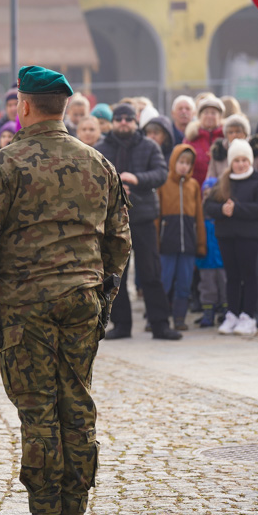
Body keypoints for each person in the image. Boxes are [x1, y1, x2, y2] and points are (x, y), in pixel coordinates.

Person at [0, 66, 131, 515]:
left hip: (25, 305)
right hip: (82, 299)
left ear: (25, 105)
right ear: (64, 108)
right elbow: (119, 241)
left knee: (38, 409)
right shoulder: (97, 162)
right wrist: (103, 302)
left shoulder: (6, 162)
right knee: (76, 406)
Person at [94, 103, 182, 340]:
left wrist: (137, 179)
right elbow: (91, 179)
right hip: (112, 220)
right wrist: (116, 189)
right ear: (113, 122)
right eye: (119, 118)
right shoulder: (100, 148)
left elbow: (161, 173)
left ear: (135, 122)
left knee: (151, 272)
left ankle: (160, 324)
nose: (124, 122)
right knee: (114, 274)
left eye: (128, 119)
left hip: (143, 218)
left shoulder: (149, 146)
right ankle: (121, 325)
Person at [204, 139, 258, 336]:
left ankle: (248, 315)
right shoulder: (223, 182)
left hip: (248, 236)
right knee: (231, 276)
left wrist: (237, 209)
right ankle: (232, 313)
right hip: (226, 236)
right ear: (231, 162)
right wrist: (221, 209)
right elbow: (208, 206)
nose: (241, 164)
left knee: (248, 275)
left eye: (244, 160)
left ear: (250, 161)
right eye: (237, 160)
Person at [157, 145, 206, 330]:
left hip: (188, 244)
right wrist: (156, 243)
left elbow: (199, 217)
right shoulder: (163, 183)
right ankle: (158, 318)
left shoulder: (193, 186)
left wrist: (200, 244)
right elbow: (157, 217)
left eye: (188, 163)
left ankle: (179, 318)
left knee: (184, 284)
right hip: (167, 243)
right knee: (164, 282)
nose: (184, 166)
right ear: (173, 162)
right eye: (181, 162)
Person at [195, 175, 227, 327]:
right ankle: (208, 312)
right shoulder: (200, 213)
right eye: (205, 192)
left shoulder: (221, 213)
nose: (208, 195)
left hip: (222, 259)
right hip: (206, 260)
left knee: (224, 285)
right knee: (207, 288)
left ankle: (226, 311)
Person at [184, 95, 225, 185]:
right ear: (199, 116)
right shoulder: (191, 138)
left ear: (220, 117)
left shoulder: (225, 137)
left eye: (213, 113)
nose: (209, 116)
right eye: (206, 113)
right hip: (195, 187)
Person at [207, 114, 254, 180]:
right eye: (230, 132)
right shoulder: (218, 152)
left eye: (238, 131)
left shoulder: (255, 150)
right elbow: (210, 178)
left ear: (245, 133)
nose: (234, 135)